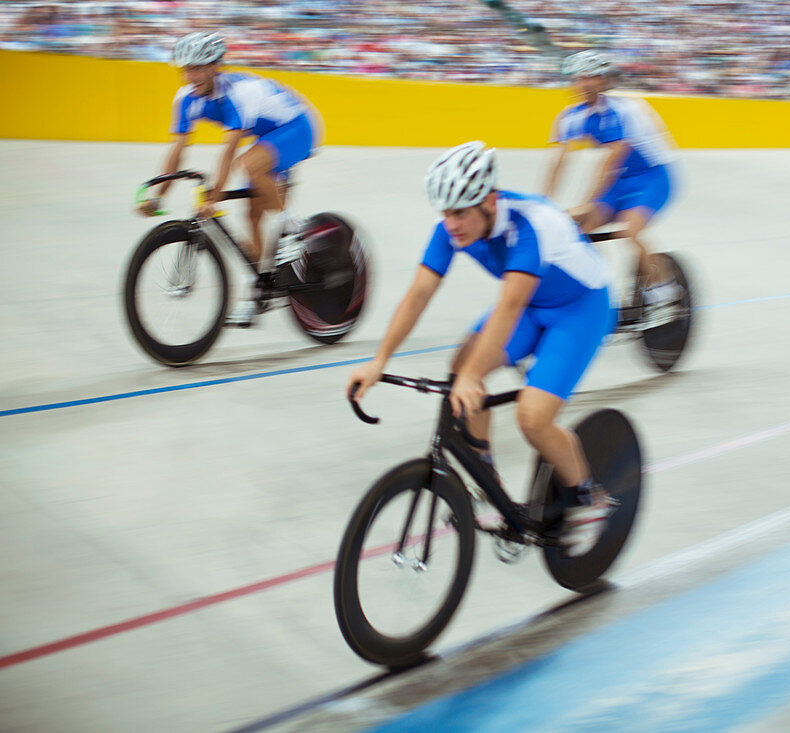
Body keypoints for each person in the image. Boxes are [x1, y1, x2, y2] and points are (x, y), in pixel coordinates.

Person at [347, 142, 616, 556]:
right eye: (444, 213)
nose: (450, 224)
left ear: (489, 201)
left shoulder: (530, 226)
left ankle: (588, 496)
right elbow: (419, 293)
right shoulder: (452, 229)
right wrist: (379, 360)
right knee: (461, 366)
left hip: (579, 309)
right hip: (531, 305)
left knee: (532, 417)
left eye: (460, 213)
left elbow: (509, 305)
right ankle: (488, 479)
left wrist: (474, 377)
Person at [136, 31, 323, 327]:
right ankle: (261, 290)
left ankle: (294, 228)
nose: (190, 76)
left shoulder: (238, 94)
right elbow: (177, 151)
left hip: (297, 126)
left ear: (215, 66)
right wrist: (158, 196)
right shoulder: (186, 98)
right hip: (268, 137)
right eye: (185, 69)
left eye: (197, 68)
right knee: (252, 216)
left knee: (248, 164)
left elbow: (229, 151)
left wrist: (214, 197)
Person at [543, 50, 680, 321]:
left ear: (605, 80)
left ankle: (665, 290)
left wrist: (588, 202)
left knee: (629, 230)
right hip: (621, 181)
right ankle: (600, 291)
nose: (584, 84)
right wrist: (543, 203)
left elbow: (610, 165)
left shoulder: (624, 111)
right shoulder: (571, 117)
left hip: (653, 176)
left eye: (591, 77)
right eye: (579, 79)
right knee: (581, 232)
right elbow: (559, 161)